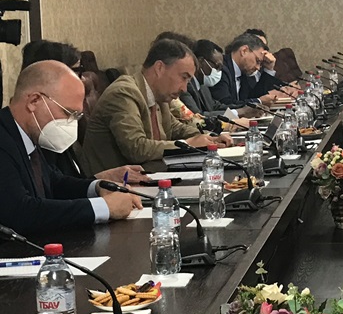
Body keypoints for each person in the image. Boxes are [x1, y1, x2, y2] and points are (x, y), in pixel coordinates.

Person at [0, 61, 141, 233]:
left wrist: (97, 187)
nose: (71, 123)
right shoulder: (4, 138)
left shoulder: (27, 134)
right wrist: (104, 207)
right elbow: (20, 211)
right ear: (34, 101)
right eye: (68, 113)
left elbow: (54, 183)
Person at [80, 39, 231, 175]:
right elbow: (136, 148)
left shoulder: (159, 95)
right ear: (159, 68)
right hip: (116, 185)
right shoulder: (124, 93)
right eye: (183, 77)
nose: (185, 88)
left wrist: (211, 137)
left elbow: (175, 128)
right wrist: (189, 144)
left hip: (150, 174)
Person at [20, 40, 151, 184]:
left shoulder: (53, 131)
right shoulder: (40, 134)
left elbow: (65, 184)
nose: (82, 79)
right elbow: (52, 193)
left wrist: (102, 180)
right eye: (77, 71)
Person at [208, 33, 284, 106]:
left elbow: (255, 97)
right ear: (244, 51)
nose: (258, 68)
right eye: (257, 61)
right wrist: (259, 101)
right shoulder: (221, 68)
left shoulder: (244, 72)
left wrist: (268, 69)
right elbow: (225, 104)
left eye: (260, 64)